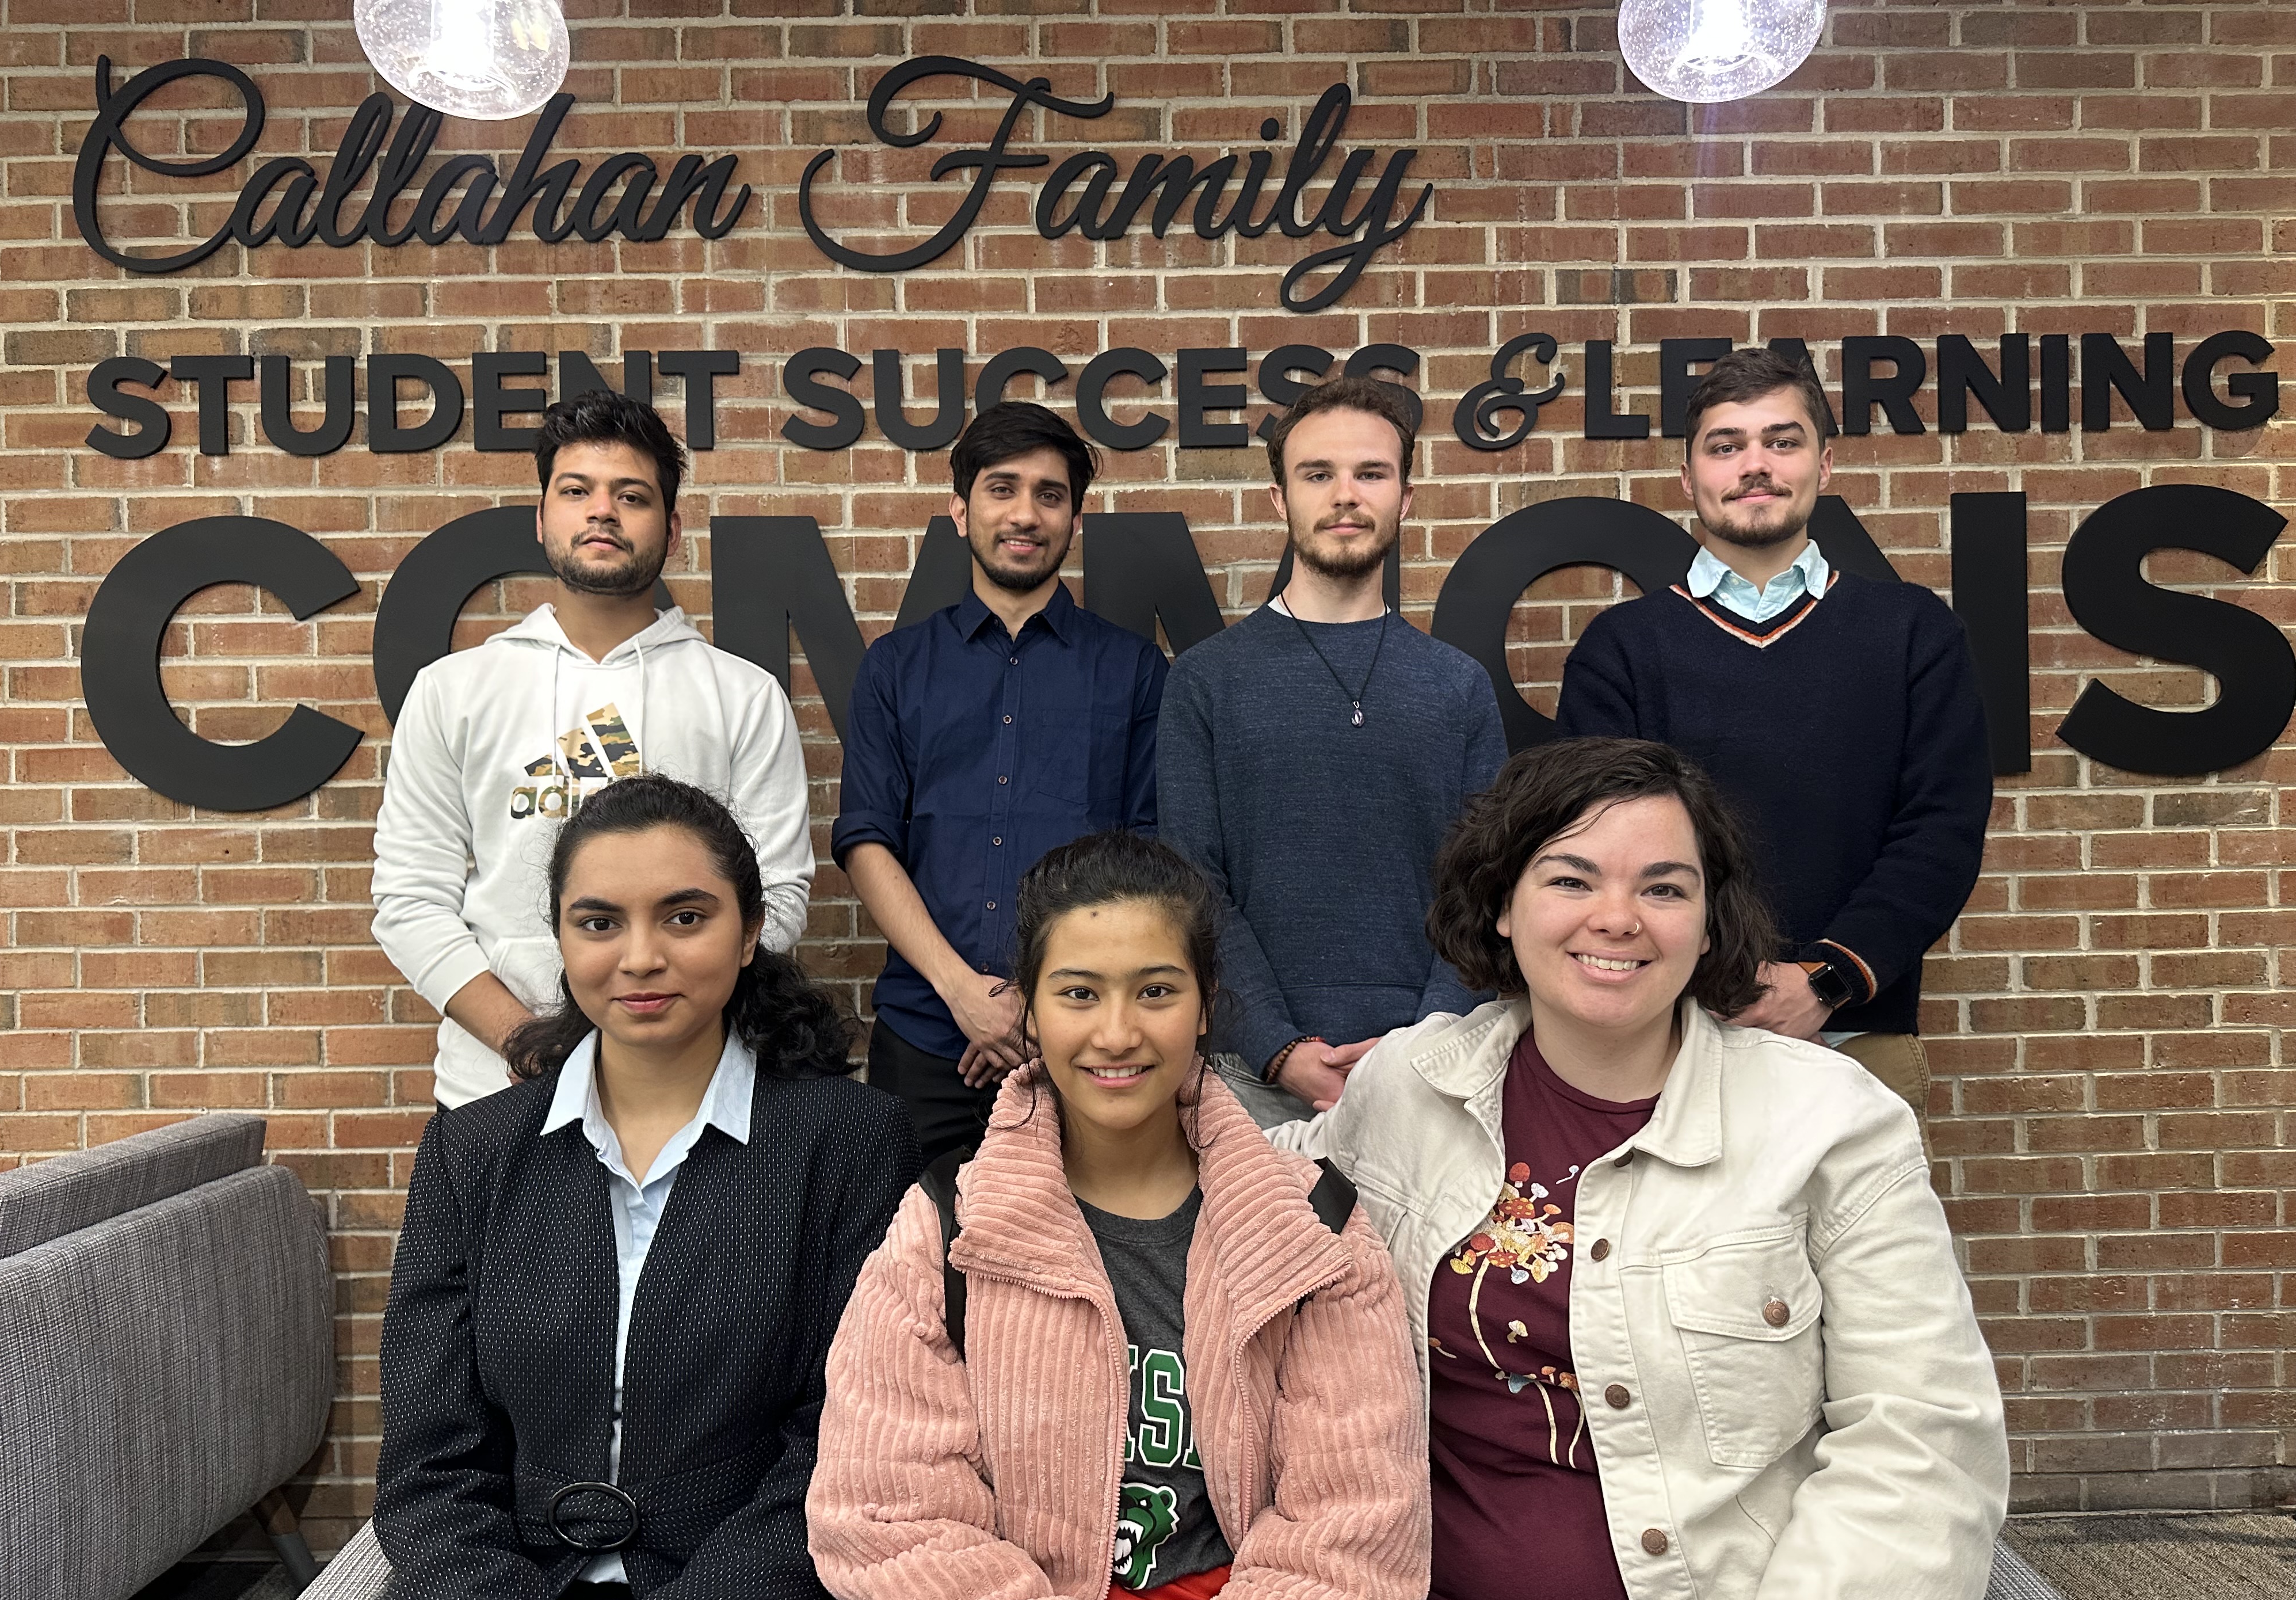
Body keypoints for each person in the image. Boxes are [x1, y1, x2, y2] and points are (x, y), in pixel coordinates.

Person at [1272, 738, 2028, 1600]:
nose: (1616, 917)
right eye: (1570, 877)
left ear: (1707, 916)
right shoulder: (1407, 1088)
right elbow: (1231, 1175)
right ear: (1502, 902)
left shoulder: (1829, 1119)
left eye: (1662, 886)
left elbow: (1921, 1432)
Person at [807, 832, 1429, 1600]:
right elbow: (889, 1520)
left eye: (1156, 991)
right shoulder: (945, 1231)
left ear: (1207, 1005)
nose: (1117, 1032)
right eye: (1079, 993)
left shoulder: (1316, 1232)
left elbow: (1357, 1527)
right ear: (1031, 1007)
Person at [369, 775, 921, 1600]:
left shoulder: (851, 1142)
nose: (640, 955)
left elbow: (843, 1454)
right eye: (598, 921)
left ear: (749, 933)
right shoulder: (474, 1153)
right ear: (561, 936)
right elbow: (430, 1464)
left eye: (684, 915)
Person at [1555, 345, 1991, 1129]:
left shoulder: (1914, 633)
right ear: (1689, 479)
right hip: (1670, 1039)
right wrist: (1713, 985)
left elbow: (1941, 835)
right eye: (1726, 446)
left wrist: (1824, 980)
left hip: (1859, 1034)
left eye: (1780, 442)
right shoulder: (1621, 649)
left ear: (1824, 463)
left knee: (1868, 1257)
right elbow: (1602, 852)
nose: (1754, 465)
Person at [373, 389, 817, 1108]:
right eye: (577, 490)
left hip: (694, 1093)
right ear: (542, 518)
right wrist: (524, 1039)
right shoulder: (455, 689)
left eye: (631, 496)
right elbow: (409, 899)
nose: (602, 511)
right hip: (495, 1089)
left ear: (671, 531)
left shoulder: (742, 696)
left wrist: (655, 1039)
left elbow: (780, 898)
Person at [1158, 375, 1506, 1127]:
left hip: (1434, 1073)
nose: (1345, 495)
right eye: (1318, 474)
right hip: (1250, 1081)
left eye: (1371, 473)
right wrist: (1280, 1050)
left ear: (1405, 497)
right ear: (1281, 499)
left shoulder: (1459, 688)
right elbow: (1193, 885)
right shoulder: (1206, 681)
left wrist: (1421, 1046)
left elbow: (1487, 884)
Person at [836, 402, 1167, 1162]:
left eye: (1050, 495)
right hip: (926, 1039)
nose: (1026, 514)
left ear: (1075, 519)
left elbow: (1146, 860)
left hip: (1085, 1047)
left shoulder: (1134, 672)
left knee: (1082, 1275)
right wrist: (964, 994)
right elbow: (865, 839)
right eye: (1002, 489)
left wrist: (1044, 1015)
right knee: (912, 1268)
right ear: (960, 510)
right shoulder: (895, 667)